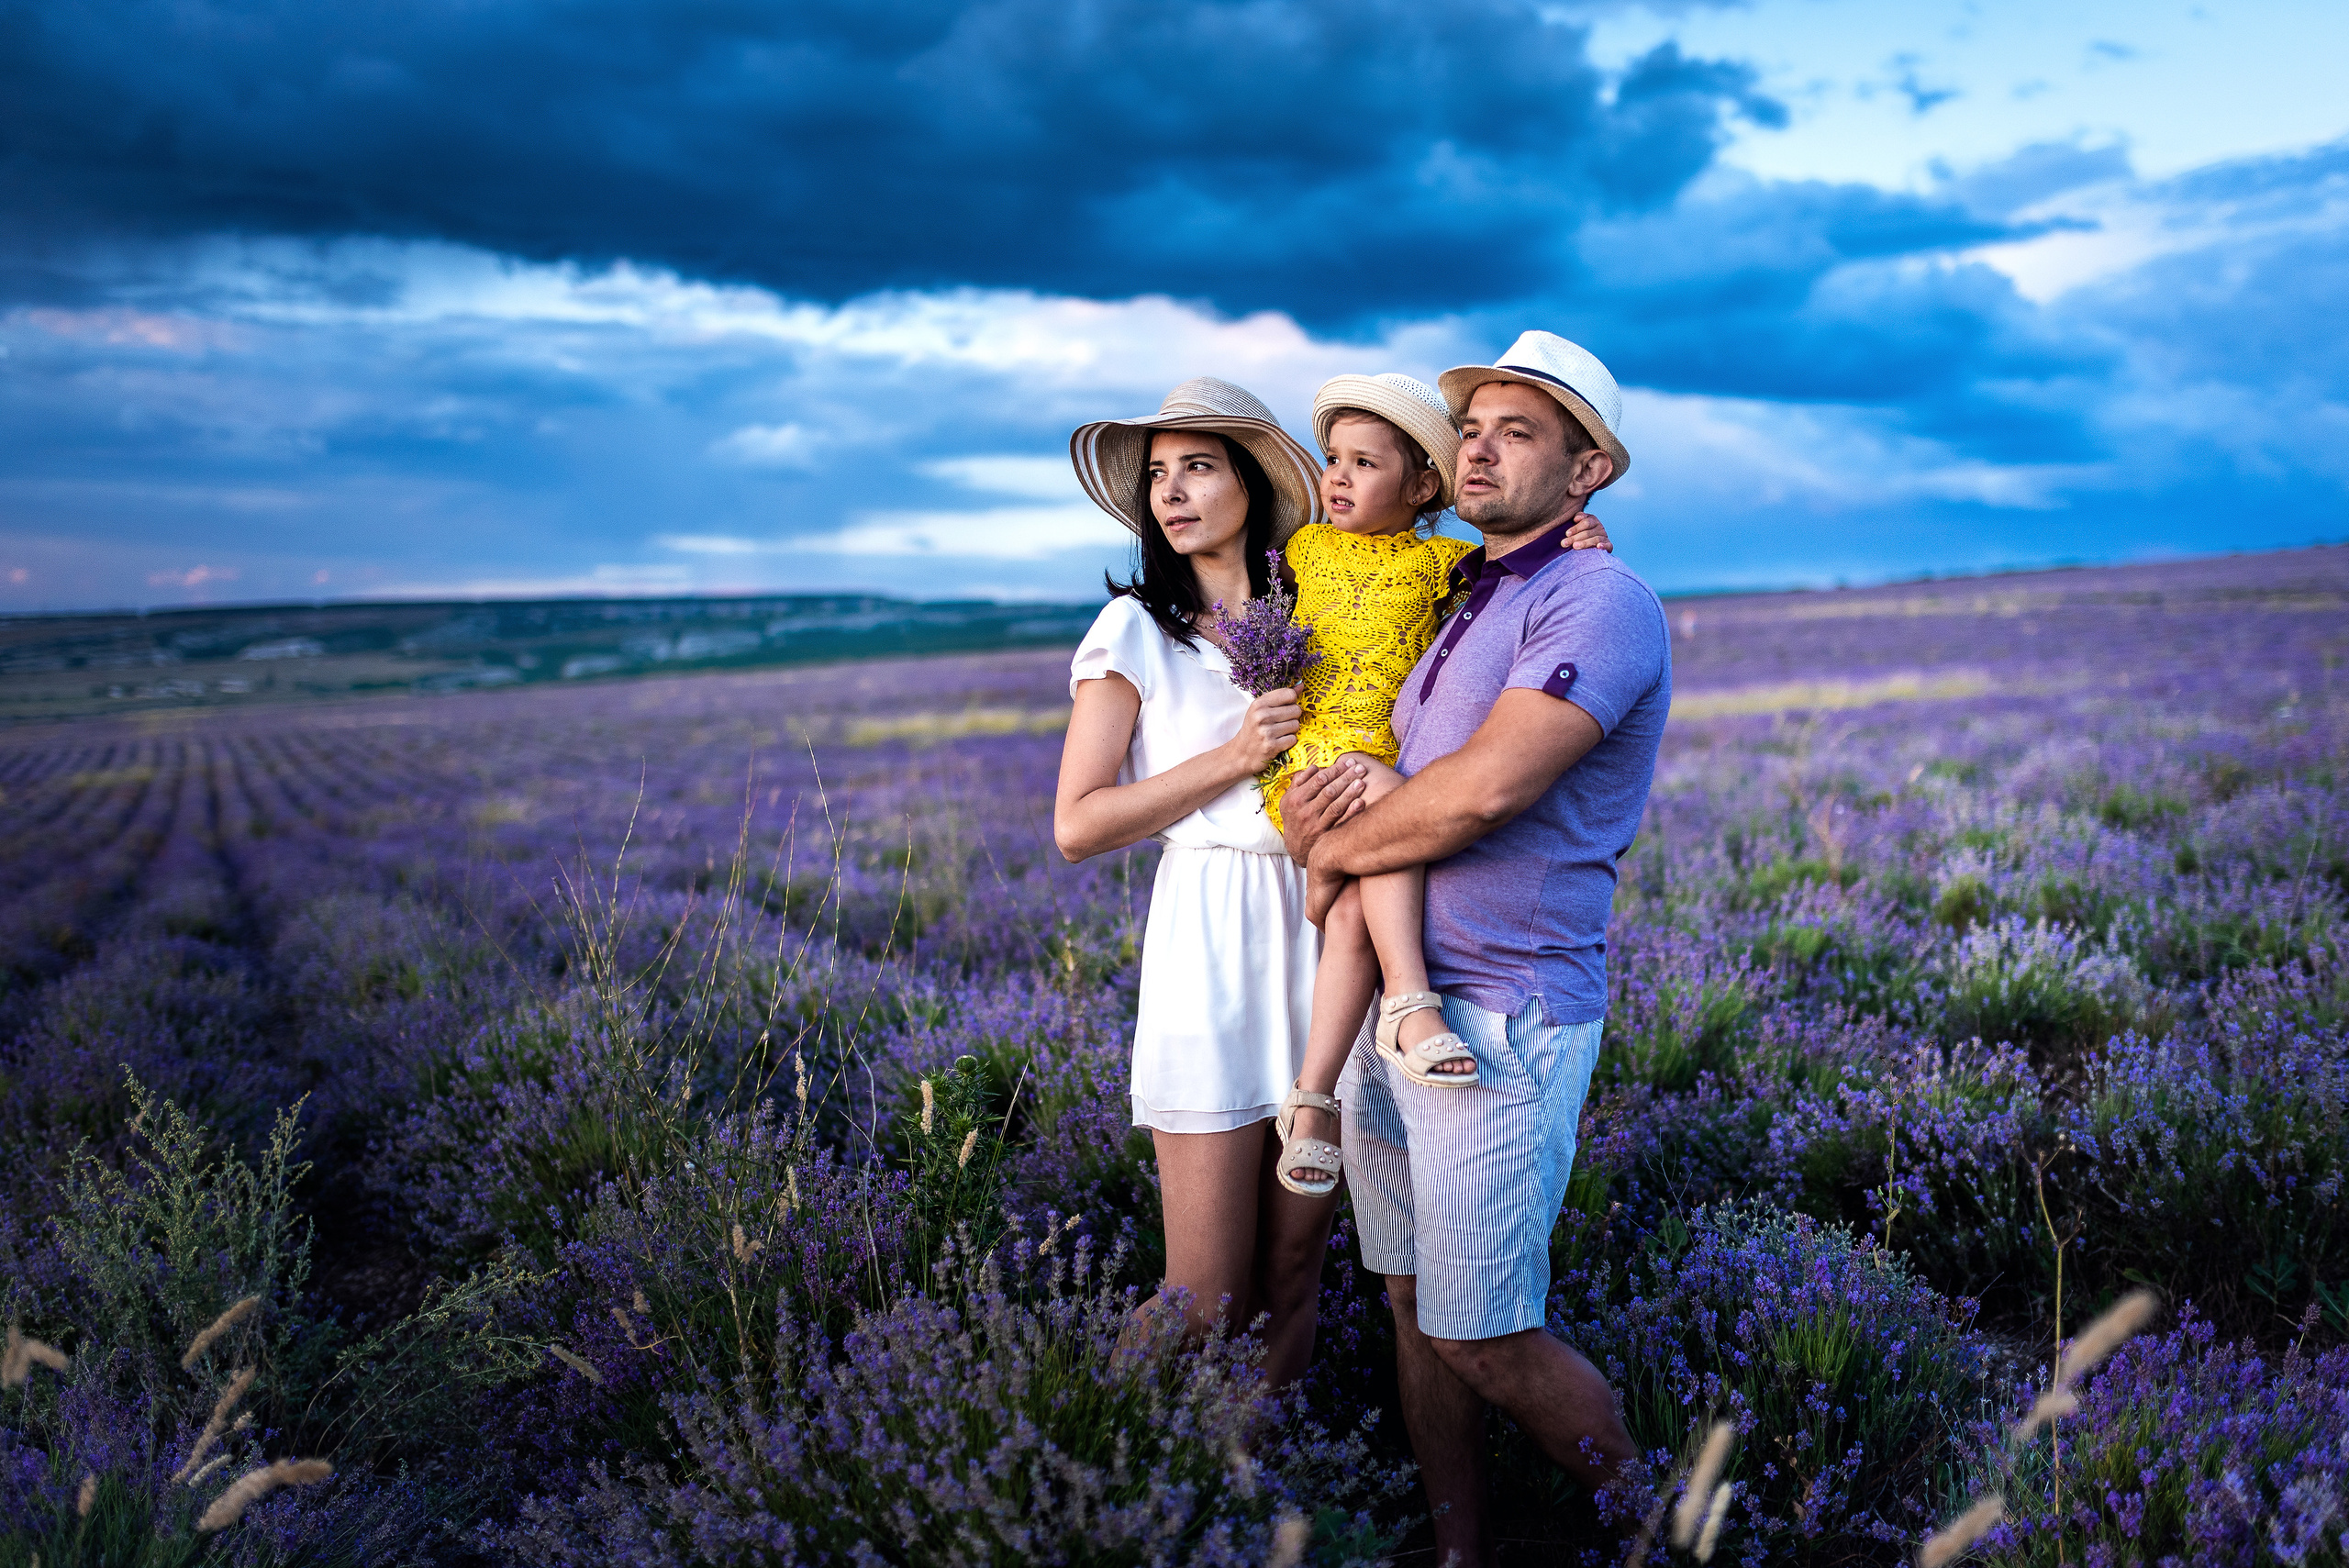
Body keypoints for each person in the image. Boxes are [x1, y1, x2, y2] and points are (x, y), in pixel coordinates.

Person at [1281, 332, 1673, 1565]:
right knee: (1409, 1304)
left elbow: (1482, 794)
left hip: (1502, 1021)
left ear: (1590, 468)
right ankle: (1462, 1552)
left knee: (1483, 1331)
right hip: (1401, 1012)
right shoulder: (1466, 591)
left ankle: (1663, 1532)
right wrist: (1312, 826)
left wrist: (1340, 852)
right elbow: (1356, 789)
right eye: (1472, 428)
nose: (1479, 448)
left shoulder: (1596, 600)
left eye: (1520, 431)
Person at [1052, 375, 1337, 1386]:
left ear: (1252, 483)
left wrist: (1577, 543)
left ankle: (1256, 1499)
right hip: (1208, 942)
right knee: (1203, 1290)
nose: (1171, 492)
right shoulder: (1134, 630)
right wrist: (1229, 755)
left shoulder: (1325, 611)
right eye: (1157, 477)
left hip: (1323, 942)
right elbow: (1076, 824)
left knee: (1293, 1270)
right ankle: (1094, 1458)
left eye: (1198, 467)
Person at [1260, 373, 1609, 1196]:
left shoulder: (1454, 566)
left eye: (1364, 464)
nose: (1338, 477)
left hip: (1404, 799)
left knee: (1354, 899)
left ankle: (1336, 1078)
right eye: (1331, 460)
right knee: (1408, 1298)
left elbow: (1531, 551)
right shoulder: (1307, 547)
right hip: (1320, 758)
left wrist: (1585, 536)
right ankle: (1375, 1039)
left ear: (1423, 486)